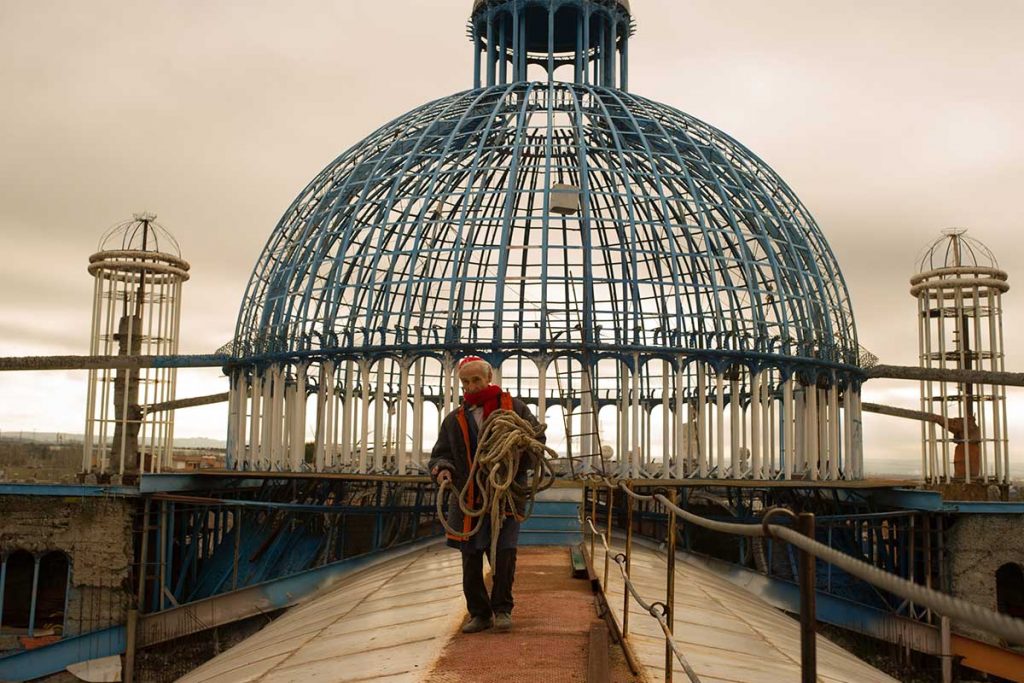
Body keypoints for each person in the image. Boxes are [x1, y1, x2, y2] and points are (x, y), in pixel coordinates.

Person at [428, 355, 544, 634]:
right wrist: (442, 471)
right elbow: (440, 455)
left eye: (476, 380)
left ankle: (502, 609)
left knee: (504, 554)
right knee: (470, 557)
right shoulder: (454, 420)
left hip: (505, 495)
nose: (470, 386)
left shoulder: (515, 409)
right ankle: (479, 614)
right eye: (465, 382)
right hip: (467, 499)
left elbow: (537, 439)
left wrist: (516, 454)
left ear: (489, 378)